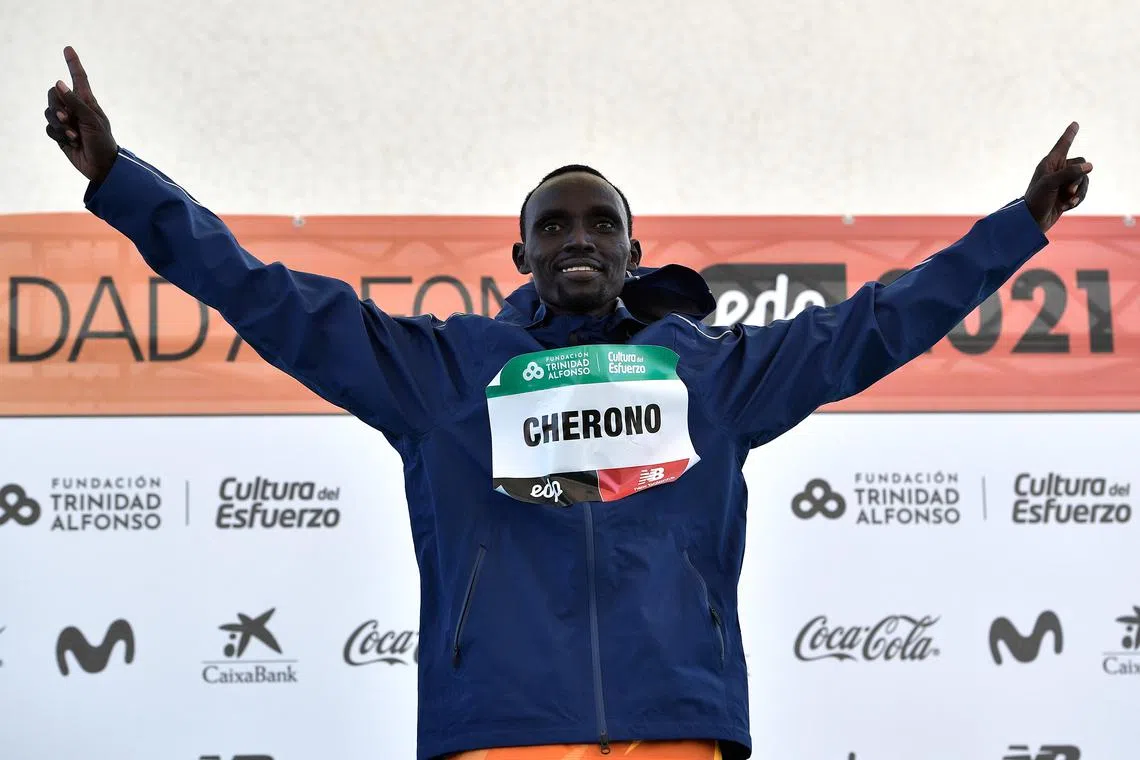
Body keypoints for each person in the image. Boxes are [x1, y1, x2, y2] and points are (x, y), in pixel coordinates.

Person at [43, 46, 1091, 760]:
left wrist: (1022, 224)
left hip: (674, 722)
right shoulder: (451, 374)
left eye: (599, 223)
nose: (577, 238)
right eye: (553, 226)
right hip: (503, 725)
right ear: (521, 254)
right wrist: (119, 180)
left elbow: (877, 323)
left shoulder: (705, 376)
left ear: (635, 250)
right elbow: (265, 296)